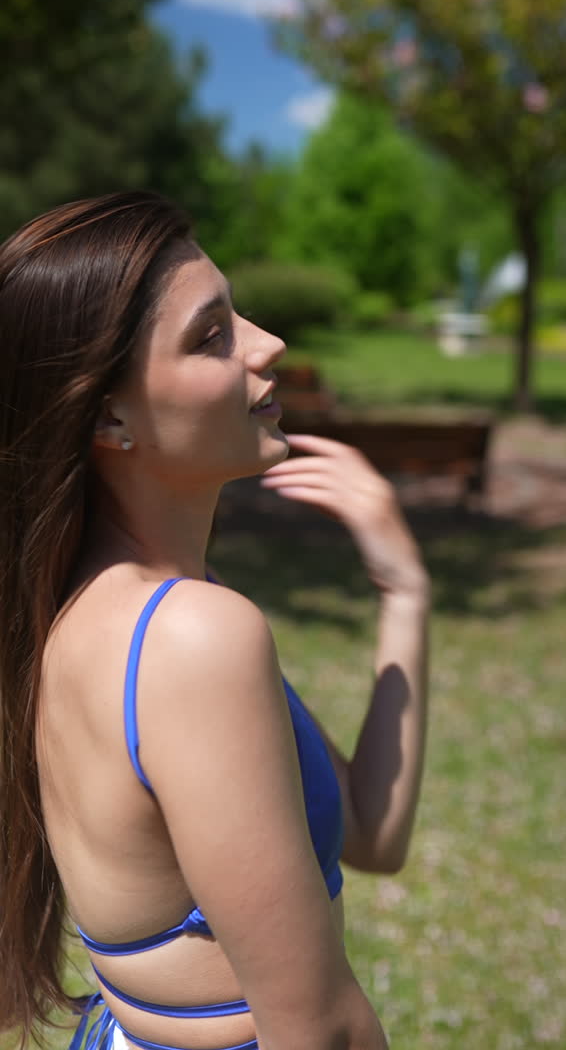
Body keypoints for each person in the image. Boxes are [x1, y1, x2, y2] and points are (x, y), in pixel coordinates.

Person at [0, 192, 430, 1050]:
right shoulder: (190, 637)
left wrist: (403, 593)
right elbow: (322, 1033)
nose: (267, 344)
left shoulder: (83, 606)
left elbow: (370, 833)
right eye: (212, 334)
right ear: (109, 417)